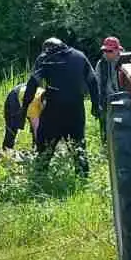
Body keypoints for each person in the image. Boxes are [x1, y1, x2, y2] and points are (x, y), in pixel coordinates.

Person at [19, 37, 100, 172]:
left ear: (48, 49)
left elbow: (33, 83)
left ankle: (40, 174)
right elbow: (93, 80)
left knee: (44, 145)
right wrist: (95, 104)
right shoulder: (80, 56)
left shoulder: (45, 58)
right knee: (78, 145)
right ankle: (83, 177)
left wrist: (24, 107)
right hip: (76, 108)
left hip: (54, 109)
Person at [1, 84, 46, 150]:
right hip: (15, 97)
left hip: (29, 91)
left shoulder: (53, 101)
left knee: (42, 126)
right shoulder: (33, 103)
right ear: (42, 103)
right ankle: (7, 150)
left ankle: (35, 149)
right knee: (12, 126)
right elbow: (36, 127)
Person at [95, 37, 123, 108]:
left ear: (117, 50)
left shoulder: (125, 62)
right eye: (104, 50)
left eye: (110, 51)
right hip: (107, 101)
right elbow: (97, 84)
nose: (106, 53)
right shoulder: (101, 64)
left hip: (123, 100)